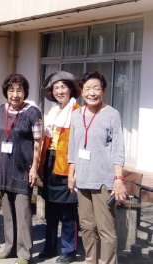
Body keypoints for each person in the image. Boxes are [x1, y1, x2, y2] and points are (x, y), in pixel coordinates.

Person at [67, 70, 126, 264]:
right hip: (82, 179)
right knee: (86, 226)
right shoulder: (76, 114)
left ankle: (107, 262)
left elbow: (118, 150)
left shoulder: (112, 115)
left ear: (104, 91)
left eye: (96, 88)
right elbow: (73, 147)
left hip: (103, 181)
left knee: (106, 228)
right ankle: (90, 260)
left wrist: (118, 180)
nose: (92, 93)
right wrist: (71, 174)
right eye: (88, 88)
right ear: (81, 91)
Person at [0, 74, 42, 264]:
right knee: (8, 211)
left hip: (22, 167)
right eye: (11, 90)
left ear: (25, 92)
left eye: (19, 90)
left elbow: (38, 142)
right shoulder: (0, 111)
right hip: (3, 166)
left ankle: (24, 253)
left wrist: (34, 168)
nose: (15, 94)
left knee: (23, 213)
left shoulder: (33, 113)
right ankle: (9, 247)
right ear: (6, 92)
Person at [38, 71, 81, 263]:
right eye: (56, 88)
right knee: (51, 209)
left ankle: (68, 250)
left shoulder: (78, 111)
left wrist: (75, 170)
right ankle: (50, 246)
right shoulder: (52, 111)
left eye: (63, 86)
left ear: (71, 89)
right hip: (50, 161)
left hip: (67, 164)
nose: (60, 91)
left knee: (68, 210)